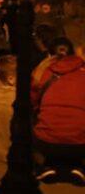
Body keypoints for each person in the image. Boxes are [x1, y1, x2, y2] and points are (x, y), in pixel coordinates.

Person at [31, 37, 85, 184]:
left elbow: (32, 101)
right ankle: (78, 167)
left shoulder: (43, 71)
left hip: (46, 142)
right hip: (80, 143)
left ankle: (46, 166)